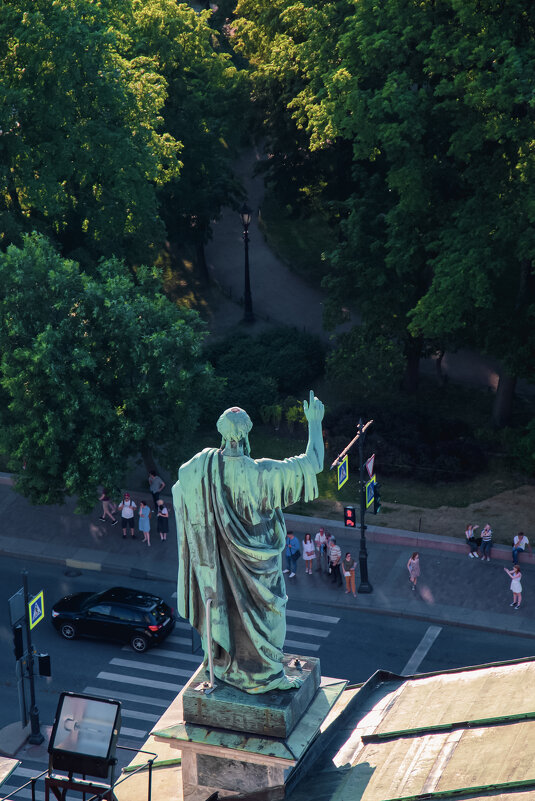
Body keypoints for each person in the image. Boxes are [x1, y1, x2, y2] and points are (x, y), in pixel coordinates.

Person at [173, 391, 324, 694]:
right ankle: (270, 675)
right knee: (270, 614)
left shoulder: (201, 468)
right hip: (262, 564)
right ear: (246, 435)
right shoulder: (263, 472)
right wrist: (314, 423)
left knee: (228, 609)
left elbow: (180, 486)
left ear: (222, 433)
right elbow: (314, 462)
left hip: (220, 560)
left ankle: (228, 664)